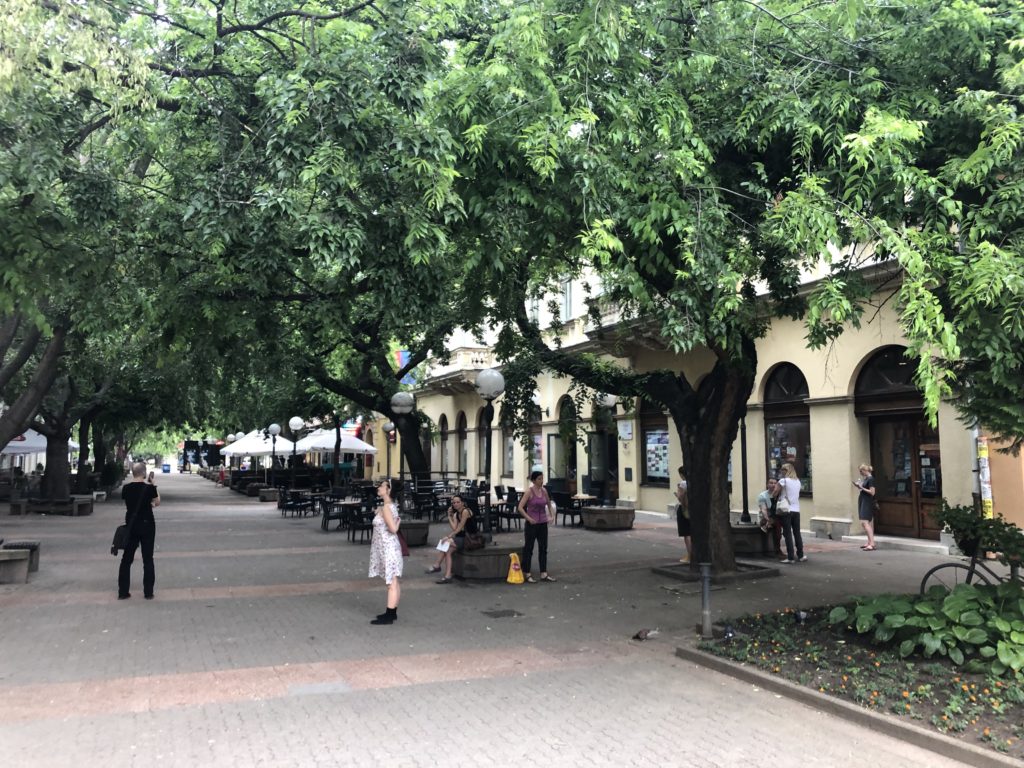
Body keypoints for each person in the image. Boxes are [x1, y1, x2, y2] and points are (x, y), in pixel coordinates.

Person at [118, 463, 160, 600]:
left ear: (132, 472)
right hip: (147, 525)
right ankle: (148, 592)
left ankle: (123, 592)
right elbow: (157, 502)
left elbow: (128, 503)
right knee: (148, 559)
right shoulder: (149, 489)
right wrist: (153, 484)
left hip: (131, 525)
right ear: (144, 473)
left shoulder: (126, 488)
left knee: (126, 559)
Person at [368, 479, 403, 624]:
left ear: (388, 490)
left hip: (388, 548)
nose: (378, 487)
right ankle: (392, 611)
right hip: (386, 548)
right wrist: (378, 511)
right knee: (393, 580)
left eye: (381, 486)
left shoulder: (387, 507)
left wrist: (397, 523)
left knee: (391, 583)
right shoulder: (387, 506)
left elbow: (393, 529)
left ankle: (389, 615)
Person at [426, 494, 476, 584]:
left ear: (462, 503)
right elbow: (455, 528)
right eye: (454, 503)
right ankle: (447, 575)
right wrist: (449, 516)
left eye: (458, 502)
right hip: (461, 538)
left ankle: (437, 565)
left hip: (471, 539)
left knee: (445, 542)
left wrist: (449, 537)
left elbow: (460, 527)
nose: (456, 504)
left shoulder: (466, 511)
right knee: (448, 550)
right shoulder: (456, 514)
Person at [517, 470, 556, 583]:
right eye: (539, 479)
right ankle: (527, 573)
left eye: (542, 478)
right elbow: (520, 507)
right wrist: (528, 518)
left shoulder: (544, 491)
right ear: (534, 480)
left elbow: (549, 504)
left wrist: (552, 516)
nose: (541, 481)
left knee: (543, 548)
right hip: (532, 524)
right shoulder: (529, 492)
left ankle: (544, 573)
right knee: (529, 548)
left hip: (543, 523)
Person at [773, 462, 805, 564]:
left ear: (786, 471)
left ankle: (790, 557)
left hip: (786, 510)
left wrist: (775, 495)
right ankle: (801, 555)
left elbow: (774, 493)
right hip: (796, 510)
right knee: (797, 533)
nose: (781, 472)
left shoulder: (783, 481)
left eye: (783, 470)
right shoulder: (798, 481)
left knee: (787, 533)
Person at [756, 478, 783, 555]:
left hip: (776, 517)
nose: (773, 485)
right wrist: (768, 520)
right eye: (771, 483)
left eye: (775, 483)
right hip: (765, 517)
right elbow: (764, 510)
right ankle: (776, 550)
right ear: (767, 485)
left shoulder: (779, 495)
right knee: (776, 526)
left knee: (779, 525)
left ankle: (777, 549)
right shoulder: (762, 496)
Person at [854, 463, 877, 551]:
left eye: (861, 471)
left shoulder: (871, 479)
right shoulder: (866, 479)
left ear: (865, 470)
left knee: (865, 522)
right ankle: (869, 542)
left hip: (867, 501)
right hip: (863, 500)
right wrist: (859, 486)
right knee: (864, 523)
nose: (860, 473)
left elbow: (872, 492)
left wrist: (861, 487)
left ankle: (872, 544)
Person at [675, 466, 691, 564]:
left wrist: (677, 494)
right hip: (695, 510)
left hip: (685, 509)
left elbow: (680, 498)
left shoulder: (683, 483)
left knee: (687, 534)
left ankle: (690, 555)